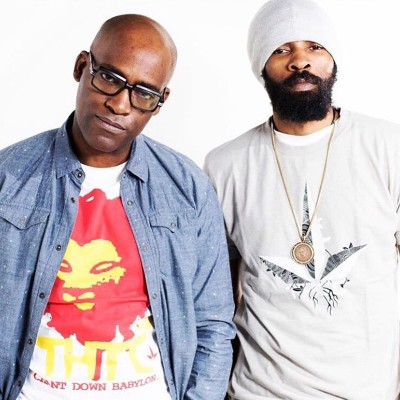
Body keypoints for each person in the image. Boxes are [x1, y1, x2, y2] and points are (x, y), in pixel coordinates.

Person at [0, 14, 235, 400]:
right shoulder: (9, 176)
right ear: (81, 67)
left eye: (144, 93)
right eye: (109, 78)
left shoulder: (188, 187)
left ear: (159, 103)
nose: (120, 105)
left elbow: (213, 324)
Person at [204, 0, 400, 398]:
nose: (300, 61)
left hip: (369, 390)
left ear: (333, 59)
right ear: (261, 66)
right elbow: (218, 294)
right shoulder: (224, 165)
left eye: (314, 46)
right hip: (260, 391)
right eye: (281, 49)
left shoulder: (387, 145)